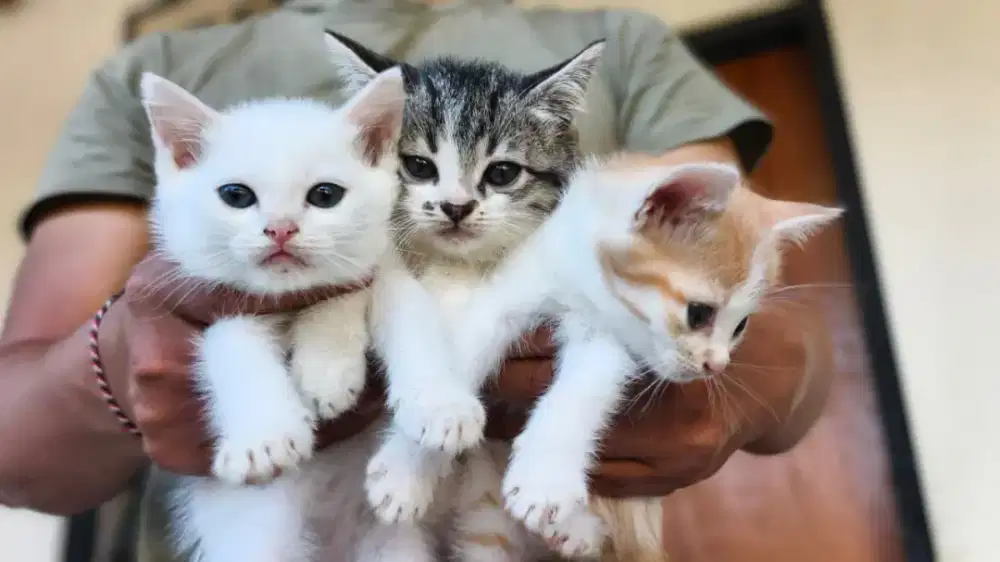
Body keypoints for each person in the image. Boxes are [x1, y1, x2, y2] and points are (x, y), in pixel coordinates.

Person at [0, 0, 833, 559]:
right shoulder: (158, 67)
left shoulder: (622, 41)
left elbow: (730, 278)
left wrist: (761, 376)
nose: (456, 207)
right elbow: (17, 453)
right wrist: (119, 363)